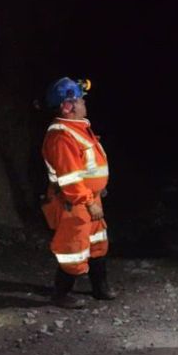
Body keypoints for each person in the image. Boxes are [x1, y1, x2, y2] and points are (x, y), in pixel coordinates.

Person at [40, 77, 117, 309]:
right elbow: (70, 178)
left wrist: (97, 190)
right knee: (73, 248)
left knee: (97, 243)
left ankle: (100, 288)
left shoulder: (78, 129)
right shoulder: (61, 136)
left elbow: (88, 167)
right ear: (67, 106)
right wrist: (88, 200)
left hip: (89, 199)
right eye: (80, 100)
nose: (84, 103)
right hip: (74, 203)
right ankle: (61, 294)